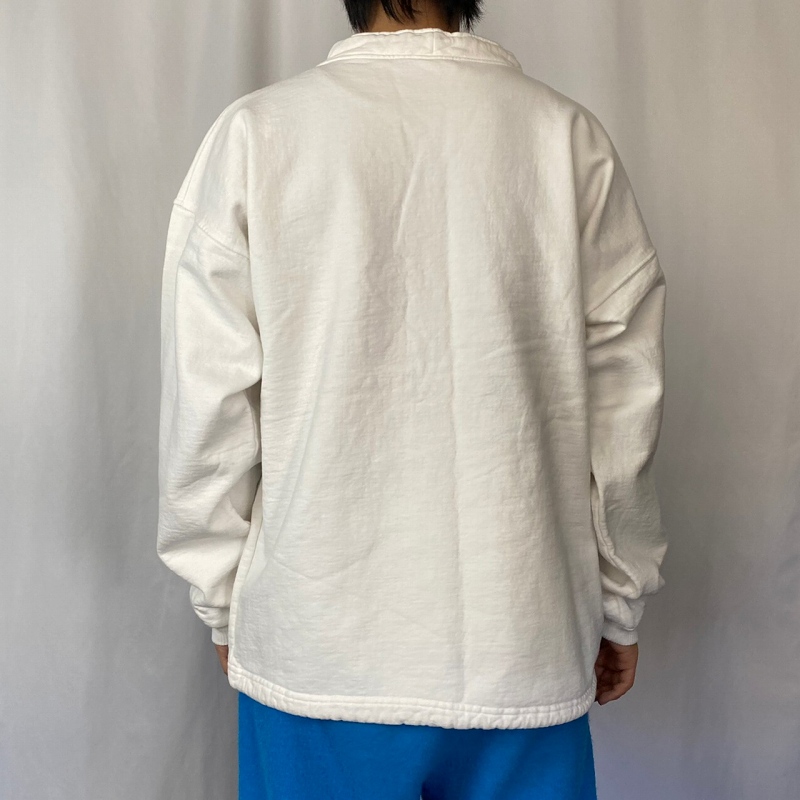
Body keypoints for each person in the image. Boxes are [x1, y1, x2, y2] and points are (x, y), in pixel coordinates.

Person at [156, 0, 668, 797]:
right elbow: (624, 409)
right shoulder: (566, 139)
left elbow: (208, 405)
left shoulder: (259, 136)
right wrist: (619, 597)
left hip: (320, 650)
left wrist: (224, 600)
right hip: (523, 639)